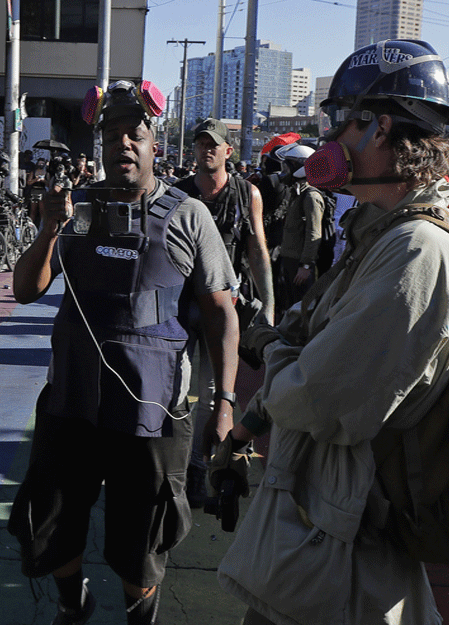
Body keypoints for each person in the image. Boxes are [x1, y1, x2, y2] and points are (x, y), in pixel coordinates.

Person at [218, 39, 449, 625]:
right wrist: (247, 428)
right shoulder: (381, 228)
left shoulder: (418, 248)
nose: (329, 141)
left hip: (349, 545)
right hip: (320, 520)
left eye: (340, 123)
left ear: (381, 128)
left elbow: (319, 394)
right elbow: (309, 333)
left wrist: (276, 353)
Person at [7, 79, 239, 625]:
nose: (123, 145)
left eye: (134, 134)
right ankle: (73, 603)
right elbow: (26, 289)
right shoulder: (79, 210)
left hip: (151, 415)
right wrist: (48, 229)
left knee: (143, 541)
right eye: (112, 136)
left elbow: (221, 312)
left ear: (154, 143)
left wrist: (224, 403)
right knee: (51, 523)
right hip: (72, 403)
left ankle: (139, 614)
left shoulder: (188, 216)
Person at [172, 117, 275, 507]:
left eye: (213, 144)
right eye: (200, 144)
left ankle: (201, 469)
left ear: (228, 151)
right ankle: (179, 468)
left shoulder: (247, 193)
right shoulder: (177, 193)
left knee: (216, 395)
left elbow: (257, 250)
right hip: (181, 309)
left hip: (225, 312)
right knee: (176, 390)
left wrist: (268, 307)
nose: (206, 150)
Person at [273, 142, 324, 309]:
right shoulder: (296, 193)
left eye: (288, 168)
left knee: (301, 309)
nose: (284, 173)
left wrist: (306, 265)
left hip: (299, 265)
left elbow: (314, 233)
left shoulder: (310, 196)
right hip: (288, 260)